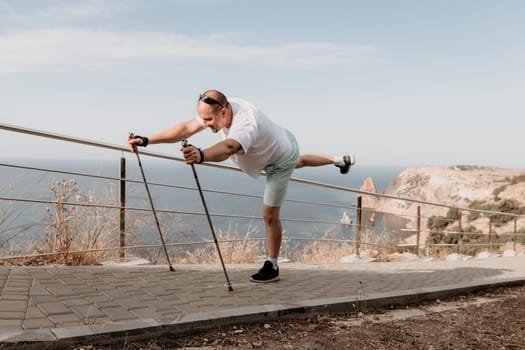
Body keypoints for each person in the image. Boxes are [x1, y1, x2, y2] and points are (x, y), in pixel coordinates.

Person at [127, 90, 355, 283]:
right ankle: (338, 159)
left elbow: (228, 147)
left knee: (270, 215)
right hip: (279, 140)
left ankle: (272, 265)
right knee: (302, 160)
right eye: (203, 120)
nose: (205, 125)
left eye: (208, 121)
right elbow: (186, 128)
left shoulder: (246, 123)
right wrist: (147, 140)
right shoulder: (219, 106)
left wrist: (201, 154)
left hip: (279, 161)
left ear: (223, 112)